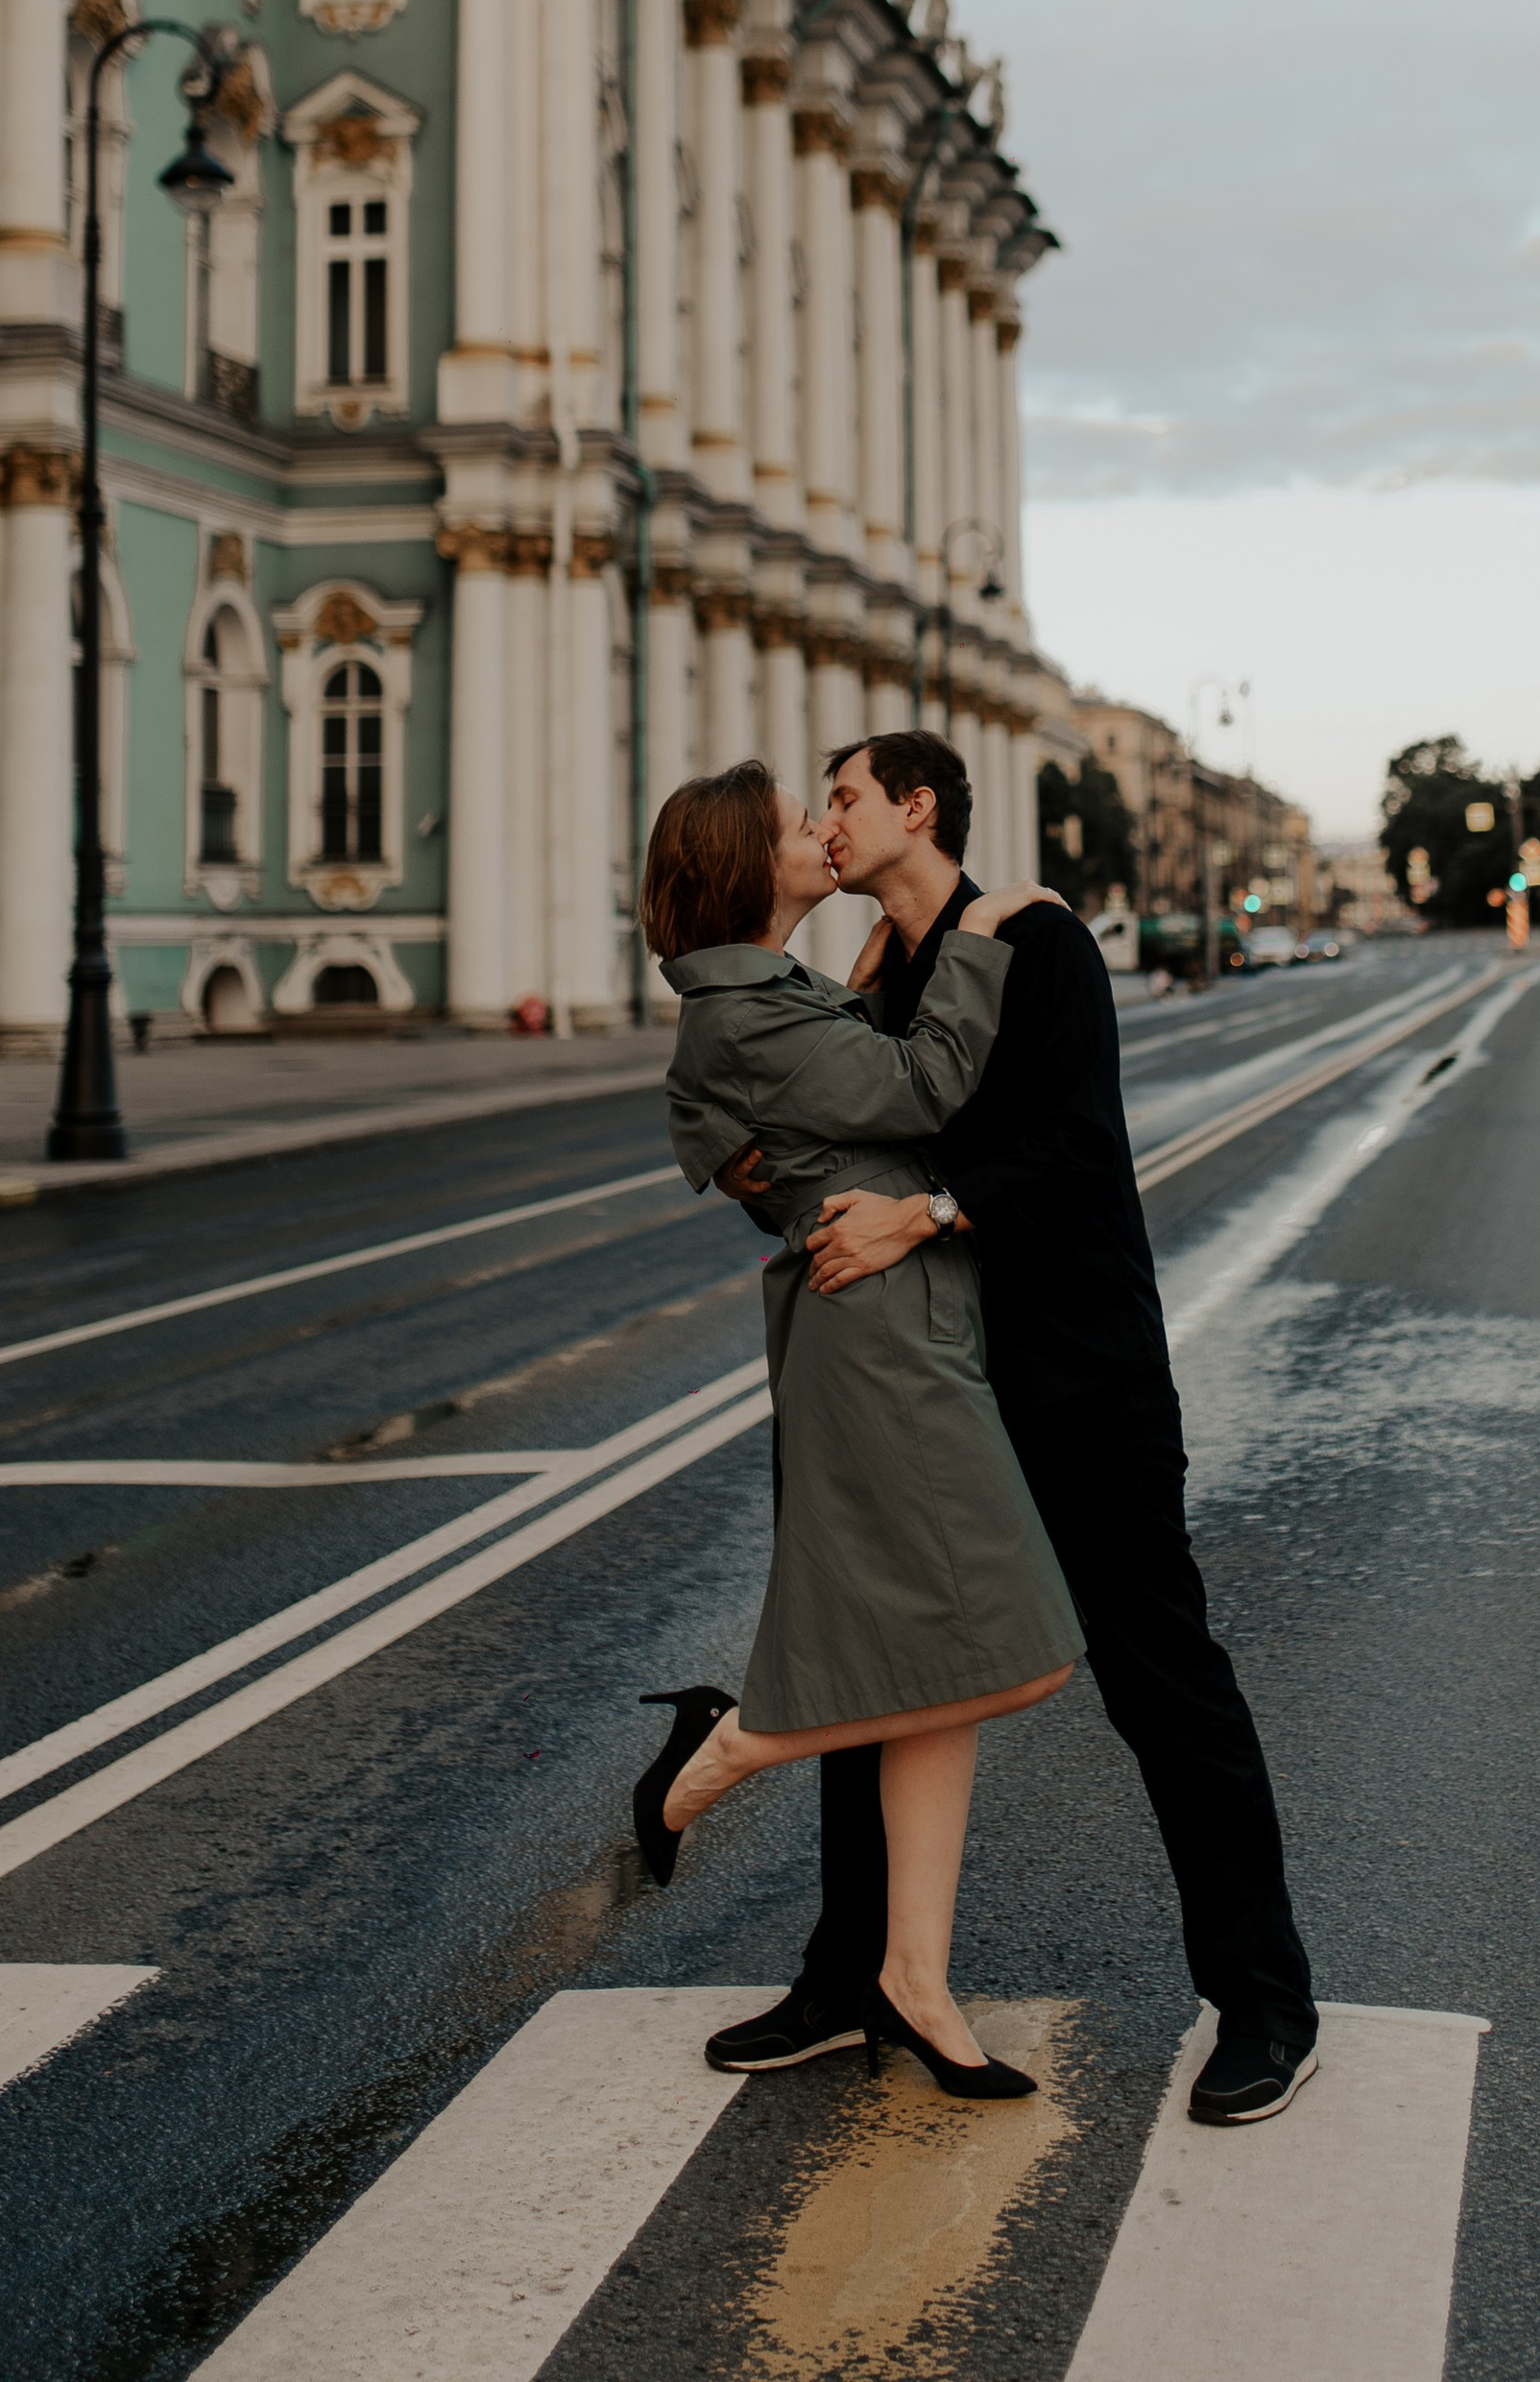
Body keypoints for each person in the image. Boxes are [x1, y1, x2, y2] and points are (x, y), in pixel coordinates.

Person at [705, 731, 1323, 2128]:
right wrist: (768, 1178)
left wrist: (927, 1211)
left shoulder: (1033, 940)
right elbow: (825, 1154)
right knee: (879, 1674)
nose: (828, 818)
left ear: (917, 807)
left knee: (1161, 1681)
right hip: (933, 1390)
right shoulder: (871, 980)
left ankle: (1267, 2001)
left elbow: (1077, 1149)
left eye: (846, 795)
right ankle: (850, 1980)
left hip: (1078, 1374)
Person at [639, 758, 1080, 2100]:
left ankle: (915, 1980)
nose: (820, 831)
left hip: (904, 1313)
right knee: (1016, 1648)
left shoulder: (766, 997)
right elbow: (923, 1090)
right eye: (796, 823)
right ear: (740, 866)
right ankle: (725, 1749)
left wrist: (885, 960)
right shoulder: (746, 1011)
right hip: (876, 1338)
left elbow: (781, 1121)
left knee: (939, 1659)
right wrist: (988, 938)